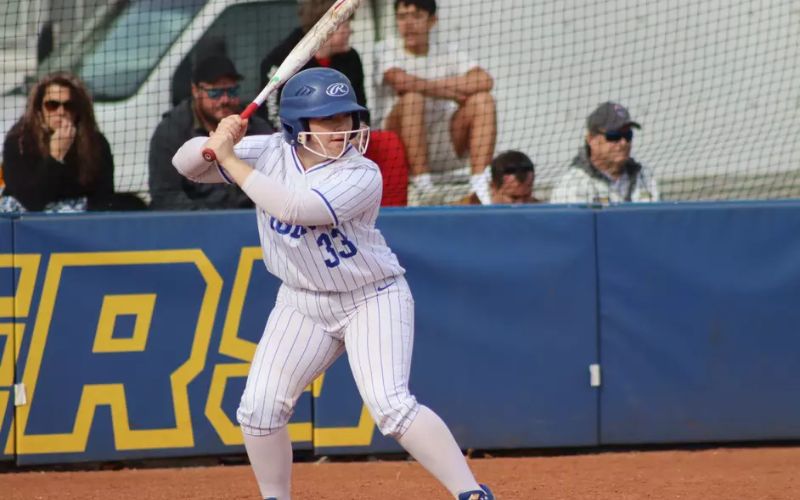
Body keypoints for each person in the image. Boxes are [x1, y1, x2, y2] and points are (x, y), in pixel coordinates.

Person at [172, 67, 494, 500]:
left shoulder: (362, 173)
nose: (342, 128)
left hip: (371, 298)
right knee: (259, 410)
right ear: (297, 126)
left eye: (345, 116)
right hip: (301, 302)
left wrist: (229, 158)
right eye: (328, 119)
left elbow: (294, 207)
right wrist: (215, 139)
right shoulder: (270, 150)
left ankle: (471, 493)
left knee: (392, 406)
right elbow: (186, 165)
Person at [373, 0, 497, 206]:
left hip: (443, 143)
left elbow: (485, 80)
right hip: (399, 149)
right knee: (412, 98)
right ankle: (424, 186)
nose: (408, 24)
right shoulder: (385, 48)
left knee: (483, 100)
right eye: (402, 17)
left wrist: (432, 86)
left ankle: (480, 186)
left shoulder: (448, 50)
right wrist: (449, 92)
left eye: (416, 16)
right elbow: (400, 81)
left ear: (432, 21)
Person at [148, 54, 274, 210]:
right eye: (215, 93)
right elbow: (165, 195)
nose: (225, 100)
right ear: (195, 91)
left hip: (249, 218)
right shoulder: (171, 131)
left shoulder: (254, 126)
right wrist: (209, 219)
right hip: (196, 221)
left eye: (232, 91)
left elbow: (275, 178)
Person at [1, 72, 115, 212]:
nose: (61, 112)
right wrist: (56, 156)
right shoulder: (19, 142)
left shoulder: (96, 143)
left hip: (78, 217)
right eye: (52, 105)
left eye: (69, 105)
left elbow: (104, 197)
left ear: (78, 111)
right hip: (26, 218)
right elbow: (32, 200)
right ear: (39, 110)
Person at [258, 0, 368, 128]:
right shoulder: (281, 59)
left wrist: (357, 129)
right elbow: (271, 115)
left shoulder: (351, 58)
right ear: (327, 28)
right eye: (346, 26)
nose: (350, 31)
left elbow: (360, 105)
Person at [550, 101, 659, 204]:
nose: (623, 143)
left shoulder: (644, 176)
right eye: (614, 136)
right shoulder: (572, 185)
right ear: (591, 139)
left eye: (628, 135)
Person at [456, 150, 539, 205]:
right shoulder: (465, 211)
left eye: (526, 196)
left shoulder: (540, 211)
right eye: (514, 198)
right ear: (493, 187)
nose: (521, 205)